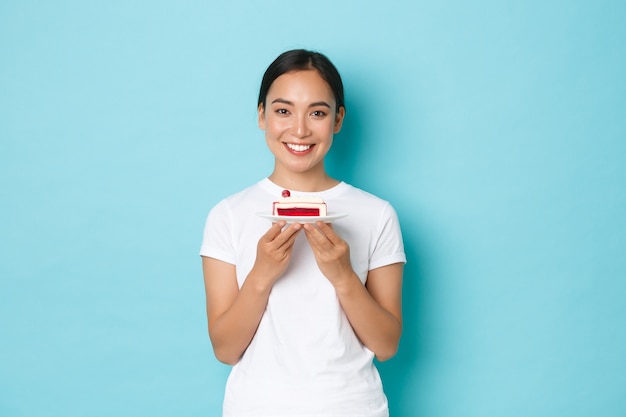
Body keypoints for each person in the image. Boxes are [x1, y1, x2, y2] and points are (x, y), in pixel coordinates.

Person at [200, 49, 406, 417]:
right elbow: (225, 350)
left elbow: (387, 345)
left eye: (317, 112)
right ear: (262, 115)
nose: (299, 129)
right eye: (283, 110)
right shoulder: (228, 215)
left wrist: (342, 276)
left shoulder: (377, 214)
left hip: (353, 407)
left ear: (338, 119)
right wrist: (262, 273)